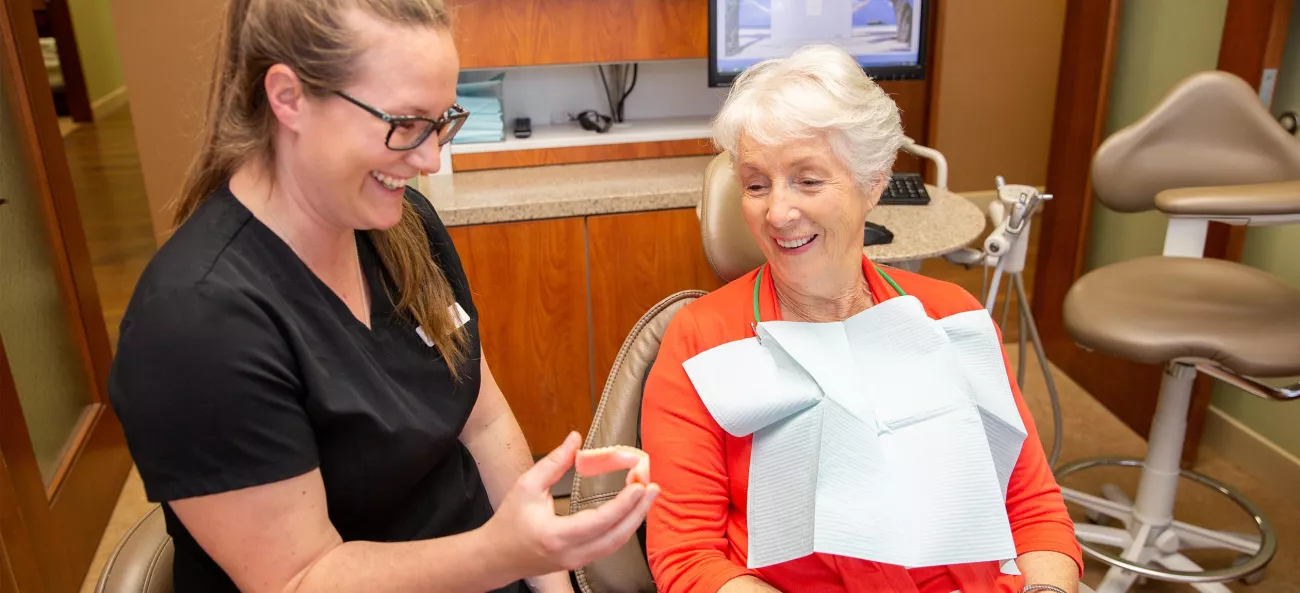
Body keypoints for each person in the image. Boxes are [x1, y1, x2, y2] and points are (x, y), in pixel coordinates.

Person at [107, 1, 657, 591]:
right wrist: (505, 553)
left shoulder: (399, 227)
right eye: (404, 123)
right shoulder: (197, 323)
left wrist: (551, 582)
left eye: (441, 121)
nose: (430, 159)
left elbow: (482, 419)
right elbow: (300, 579)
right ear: (288, 98)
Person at [639, 45, 1083, 593]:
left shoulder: (952, 319)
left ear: (873, 182)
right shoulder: (703, 342)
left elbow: (1032, 510)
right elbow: (689, 559)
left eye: (808, 180)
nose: (777, 213)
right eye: (756, 185)